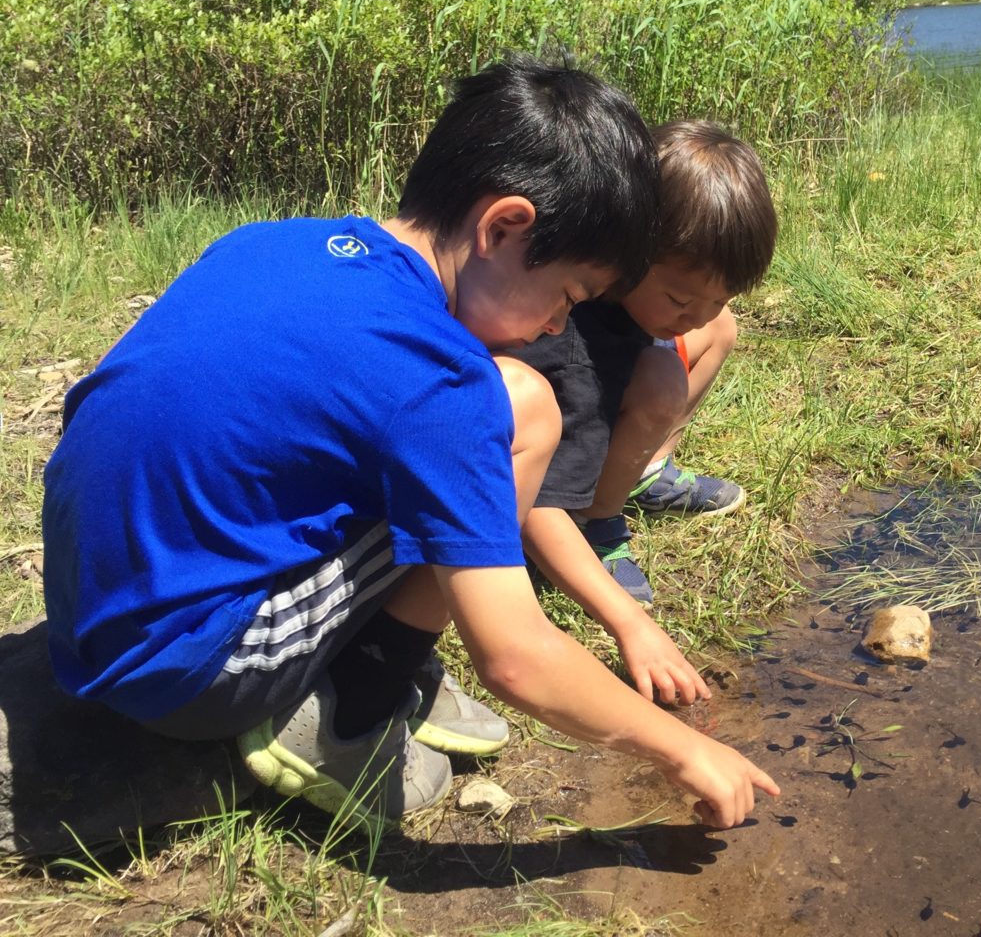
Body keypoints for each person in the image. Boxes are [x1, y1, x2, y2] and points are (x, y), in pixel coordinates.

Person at [41, 57, 778, 830]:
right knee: (521, 411)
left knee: (462, 440)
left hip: (93, 597)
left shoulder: (279, 241)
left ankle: (376, 653)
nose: (559, 326)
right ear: (503, 226)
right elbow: (515, 656)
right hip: (183, 667)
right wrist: (681, 750)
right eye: (566, 296)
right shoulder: (438, 381)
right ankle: (353, 713)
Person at [508, 120, 776, 705]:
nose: (697, 315)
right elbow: (535, 510)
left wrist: (696, 311)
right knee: (659, 383)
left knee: (717, 337)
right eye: (681, 298)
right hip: (535, 463)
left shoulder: (660, 303)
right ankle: (600, 520)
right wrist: (627, 623)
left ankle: (642, 470)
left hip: (614, 360)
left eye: (717, 296)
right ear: (629, 250)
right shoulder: (573, 350)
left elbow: (702, 314)